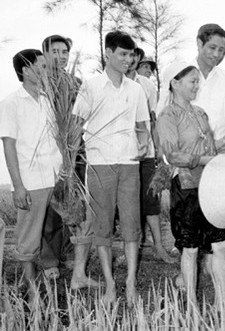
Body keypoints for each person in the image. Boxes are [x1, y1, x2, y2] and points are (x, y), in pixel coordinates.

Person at [72, 31, 150, 306]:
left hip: (129, 164)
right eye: (123, 54)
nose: (128, 60)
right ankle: (109, 285)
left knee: (131, 226)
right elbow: (75, 124)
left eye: (131, 55)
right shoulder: (91, 87)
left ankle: (130, 283)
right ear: (108, 54)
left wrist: (143, 142)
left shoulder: (136, 89)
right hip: (99, 164)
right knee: (102, 227)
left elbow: (142, 124)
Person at [157, 61, 225, 306]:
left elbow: (207, 146)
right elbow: (172, 155)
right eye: (192, 81)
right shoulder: (168, 116)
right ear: (175, 83)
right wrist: (204, 159)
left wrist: (221, 144)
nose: (196, 85)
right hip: (188, 187)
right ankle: (191, 305)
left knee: (220, 243)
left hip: (211, 186)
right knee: (190, 248)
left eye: (197, 81)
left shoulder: (200, 113)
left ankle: (223, 302)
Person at [0, 49, 61, 299]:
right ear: (26, 70)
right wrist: (18, 185)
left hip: (56, 177)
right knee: (29, 233)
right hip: (31, 179)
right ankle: (30, 284)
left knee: (62, 226)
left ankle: (62, 270)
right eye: (42, 66)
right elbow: (9, 145)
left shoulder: (49, 100)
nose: (47, 71)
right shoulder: (11, 103)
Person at [125, 47, 174, 264]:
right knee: (126, 203)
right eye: (128, 55)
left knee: (151, 201)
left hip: (146, 153)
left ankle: (159, 248)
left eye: (135, 56)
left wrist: (159, 148)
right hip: (121, 155)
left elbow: (153, 120)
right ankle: (128, 252)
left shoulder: (147, 86)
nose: (132, 60)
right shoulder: (111, 84)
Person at [39, 35, 74, 279]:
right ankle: (49, 259)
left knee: (71, 206)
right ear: (45, 52)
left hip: (72, 150)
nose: (61, 56)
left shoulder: (74, 83)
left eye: (65, 52)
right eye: (55, 51)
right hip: (46, 152)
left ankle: (69, 254)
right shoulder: (40, 83)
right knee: (49, 210)